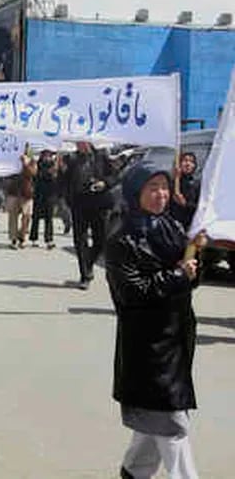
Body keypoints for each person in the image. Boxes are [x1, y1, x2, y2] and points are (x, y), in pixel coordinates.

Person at [106, 161, 200, 479]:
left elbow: (187, 277)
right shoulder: (122, 238)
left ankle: (133, 471)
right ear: (135, 192)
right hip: (148, 346)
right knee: (173, 424)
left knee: (156, 421)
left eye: (163, 187)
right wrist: (178, 275)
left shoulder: (170, 226)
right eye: (152, 188)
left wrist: (191, 263)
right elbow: (134, 292)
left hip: (175, 340)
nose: (161, 194)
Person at [60, 141, 116, 289]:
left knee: (101, 239)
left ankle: (89, 262)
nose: (79, 145)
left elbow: (113, 176)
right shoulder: (70, 159)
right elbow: (63, 181)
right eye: (77, 142)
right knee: (80, 240)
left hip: (98, 203)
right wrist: (67, 198)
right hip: (79, 204)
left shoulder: (101, 156)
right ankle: (85, 275)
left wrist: (104, 183)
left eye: (82, 141)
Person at [5, 153, 37, 249]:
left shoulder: (31, 160)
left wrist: (25, 163)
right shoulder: (10, 158)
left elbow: (32, 173)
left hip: (26, 194)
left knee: (26, 217)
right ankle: (13, 239)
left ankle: (22, 237)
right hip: (13, 192)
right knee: (13, 217)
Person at [29, 149, 59, 249]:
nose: (47, 157)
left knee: (49, 218)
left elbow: (56, 179)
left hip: (50, 195)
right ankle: (34, 238)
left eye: (49, 155)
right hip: (39, 194)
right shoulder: (38, 164)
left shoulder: (54, 165)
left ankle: (49, 240)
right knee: (36, 217)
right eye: (46, 155)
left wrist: (55, 170)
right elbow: (36, 176)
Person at [170, 152, 201, 231]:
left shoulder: (197, 184)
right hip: (173, 225)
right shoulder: (172, 182)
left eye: (191, 162)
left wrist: (185, 204)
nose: (188, 164)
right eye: (185, 161)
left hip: (190, 225)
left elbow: (200, 206)